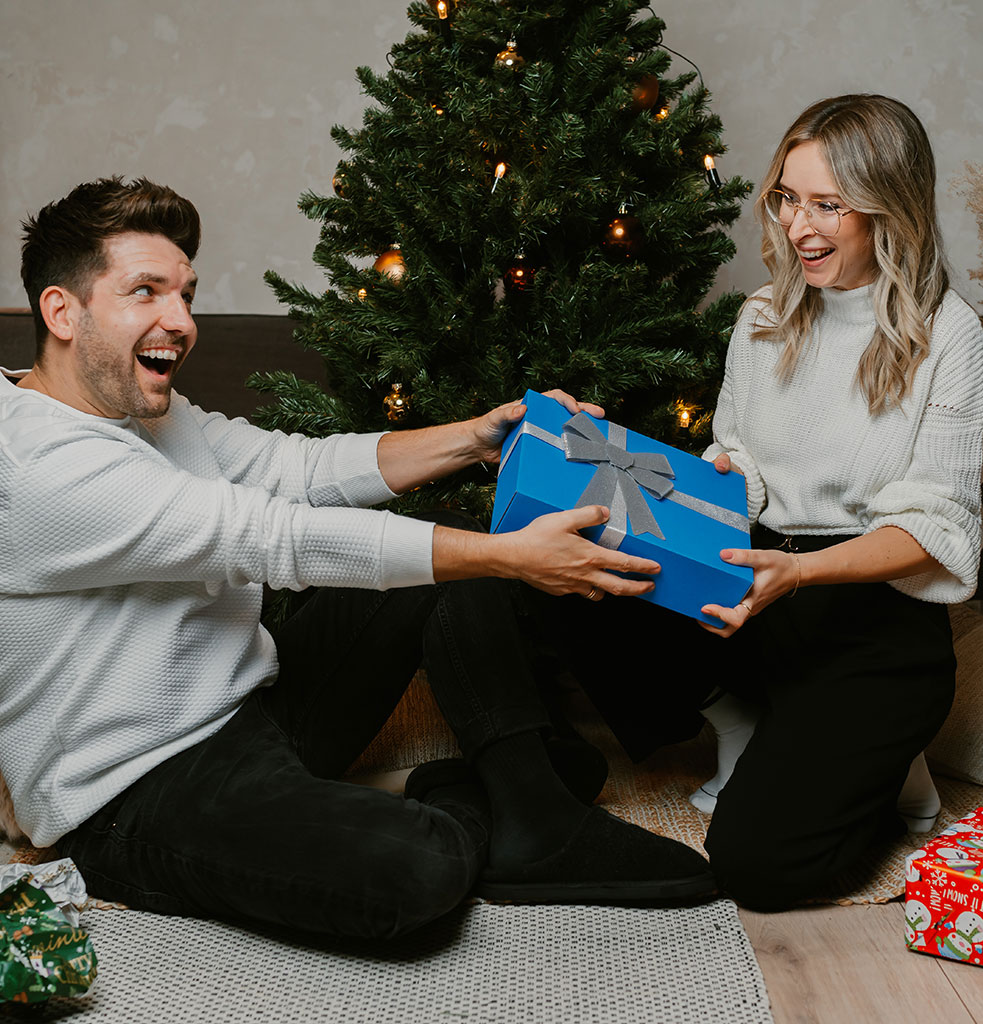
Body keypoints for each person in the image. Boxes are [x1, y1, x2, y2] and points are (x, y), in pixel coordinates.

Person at [0, 176, 717, 941]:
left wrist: (476, 435)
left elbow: (297, 470)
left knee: (440, 544)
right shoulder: (39, 467)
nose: (179, 322)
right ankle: (469, 800)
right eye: (145, 292)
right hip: (137, 791)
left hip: (254, 710)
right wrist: (509, 557)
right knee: (420, 871)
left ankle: (533, 811)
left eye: (185, 294)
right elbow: (273, 536)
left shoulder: (149, 412)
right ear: (62, 311)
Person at [527, 94, 983, 911]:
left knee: (756, 868)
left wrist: (803, 574)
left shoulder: (949, 337)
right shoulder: (761, 318)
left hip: (871, 621)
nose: (798, 227)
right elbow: (739, 461)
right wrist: (640, 470)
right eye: (786, 198)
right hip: (754, 577)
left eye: (828, 205)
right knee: (570, 564)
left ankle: (888, 765)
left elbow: (939, 526)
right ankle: (738, 716)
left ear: (890, 208)